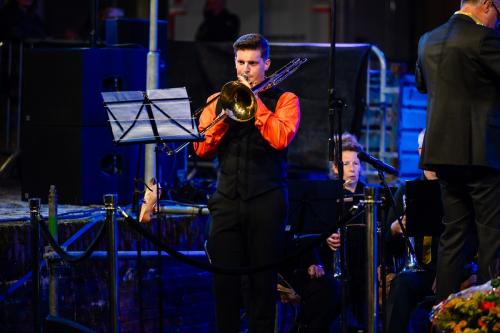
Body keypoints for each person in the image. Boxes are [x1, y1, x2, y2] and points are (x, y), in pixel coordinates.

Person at [194, 33, 300, 333]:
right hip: (227, 200)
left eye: (252, 63)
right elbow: (200, 148)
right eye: (240, 62)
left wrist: (254, 105)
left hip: (267, 200)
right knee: (224, 284)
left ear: (266, 63)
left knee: (262, 286)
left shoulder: (285, 100)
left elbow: (280, 139)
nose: (245, 70)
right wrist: (224, 117)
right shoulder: (217, 101)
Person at [415, 0, 500, 301]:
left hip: (442, 155)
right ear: (489, 5)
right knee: (491, 234)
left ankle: (445, 316)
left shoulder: (428, 39)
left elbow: (423, 85)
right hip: (481, 154)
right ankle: (489, 315)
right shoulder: (483, 39)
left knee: (453, 235)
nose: (497, 22)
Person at [326, 133, 367, 331]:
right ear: (335, 168)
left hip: (363, 267)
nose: (352, 169)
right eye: (346, 164)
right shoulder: (326, 197)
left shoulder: (368, 195)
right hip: (333, 267)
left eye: (356, 164)